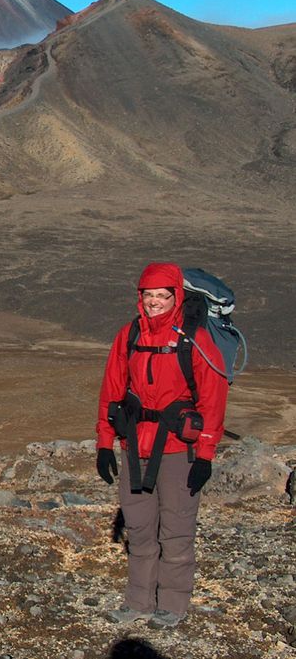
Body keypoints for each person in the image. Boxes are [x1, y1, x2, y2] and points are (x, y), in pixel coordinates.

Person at [96, 262, 228, 628]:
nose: (154, 302)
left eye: (161, 296)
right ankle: (137, 600)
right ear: (140, 297)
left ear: (176, 297)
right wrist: (105, 443)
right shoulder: (129, 335)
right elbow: (111, 390)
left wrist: (205, 455)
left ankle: (172, 603)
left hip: (178, 452)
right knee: (138, 528)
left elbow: (213, 400)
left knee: (176, 530)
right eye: (148, 295)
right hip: (134, 446)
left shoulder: (195, 339)